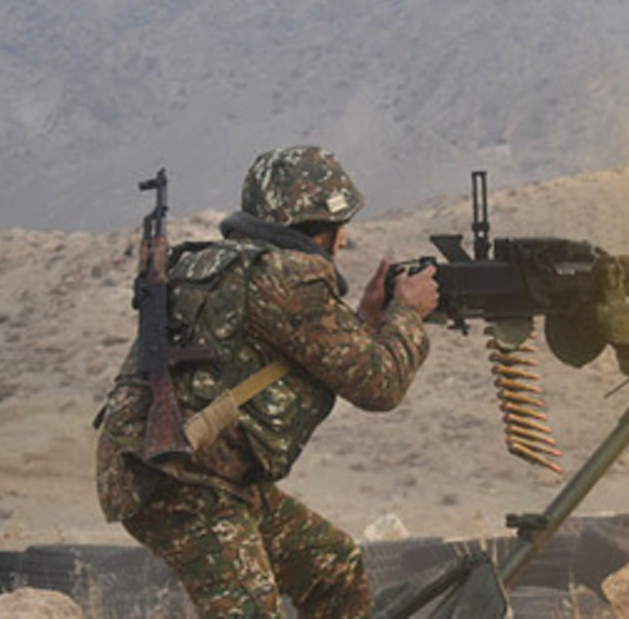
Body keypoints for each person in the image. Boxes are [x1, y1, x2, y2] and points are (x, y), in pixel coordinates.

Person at [94, 145, 439, 617]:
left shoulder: (232, 264)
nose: (342, 243)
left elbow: (319, 355)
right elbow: (379, 386)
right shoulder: (286, 277)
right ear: (320, 228)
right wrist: (408, 313)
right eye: (340, 230)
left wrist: (366, 317)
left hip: (200, 471)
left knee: (333, 569)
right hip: (177, 480)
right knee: (252, 609)